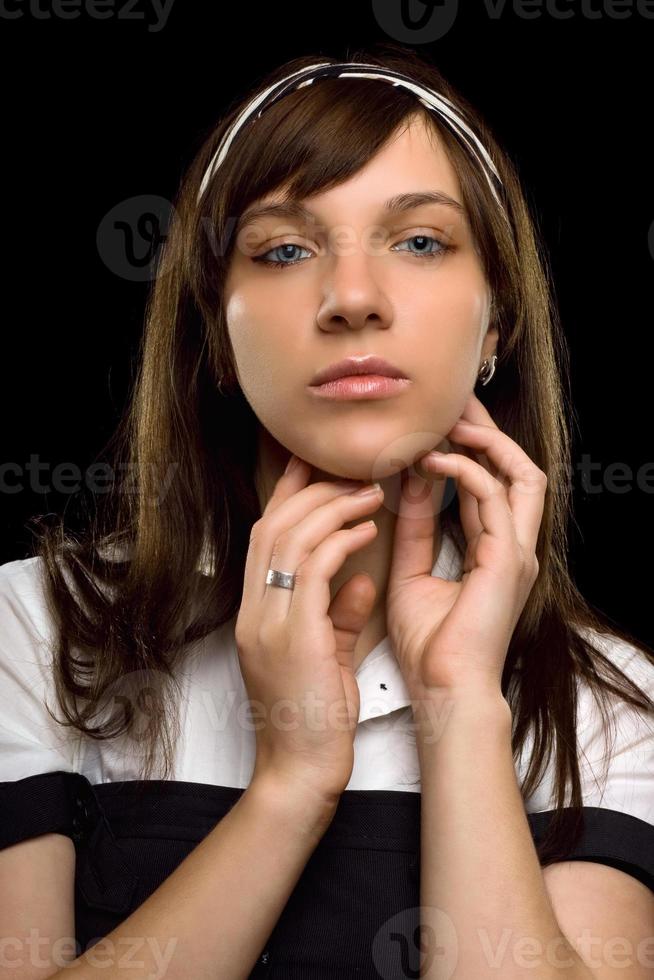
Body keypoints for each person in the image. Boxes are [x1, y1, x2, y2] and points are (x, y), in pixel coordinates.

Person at [0, 43, 653, 980]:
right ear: (215, 334)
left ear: (495, 326)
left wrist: (461, 704)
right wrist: (291, 784)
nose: (351, 298)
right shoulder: (41, 626)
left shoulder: (606, 699)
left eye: (421, 241)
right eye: (285, 250)